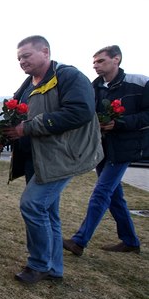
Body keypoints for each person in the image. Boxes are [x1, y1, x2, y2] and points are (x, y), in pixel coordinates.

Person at [3, 36, 103, 284]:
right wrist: (5, 135)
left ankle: (38, 265)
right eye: (18, 58)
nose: (21, 61)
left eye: (26, 56)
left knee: (32, 204)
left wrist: (28, 128)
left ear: (45, 52)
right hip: (35, 158)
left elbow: (79, 111)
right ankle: (55, 269)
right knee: (48, 212)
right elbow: (16, 116)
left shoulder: (69, 76)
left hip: (60, 158)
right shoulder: (28, 84)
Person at [63, 45, 148, 256]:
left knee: (102, 192)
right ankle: (130, 241)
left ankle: (79, 241)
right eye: (94, 62)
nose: (95, 65)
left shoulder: (139, 83)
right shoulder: (94, 87)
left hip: (125, 148)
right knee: (114, 195)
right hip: (101, 148)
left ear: (116, 59)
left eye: (100, 61)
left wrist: (119, 123)